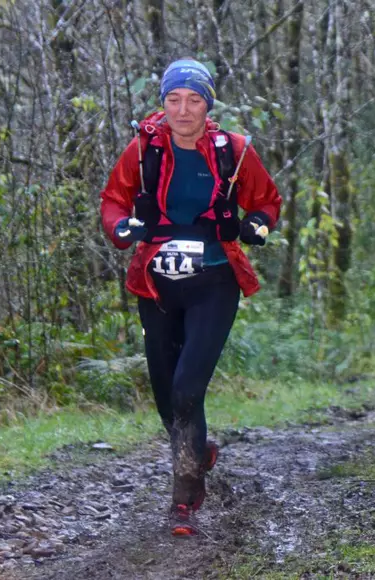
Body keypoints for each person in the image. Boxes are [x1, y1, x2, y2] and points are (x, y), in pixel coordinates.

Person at [99, 58, 281, 535]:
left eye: (194, 99)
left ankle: (183, 500)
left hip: (214, 283)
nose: (183, 110)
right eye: (174, 99)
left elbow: (267, 200)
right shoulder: (142, 150)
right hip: (155, 284)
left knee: (187, 387)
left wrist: (257, 224)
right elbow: (114, 198)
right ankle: (197, 453)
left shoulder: (233, 151)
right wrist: (120, 225)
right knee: (166, 396)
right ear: (163, 102)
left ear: (208, 105)